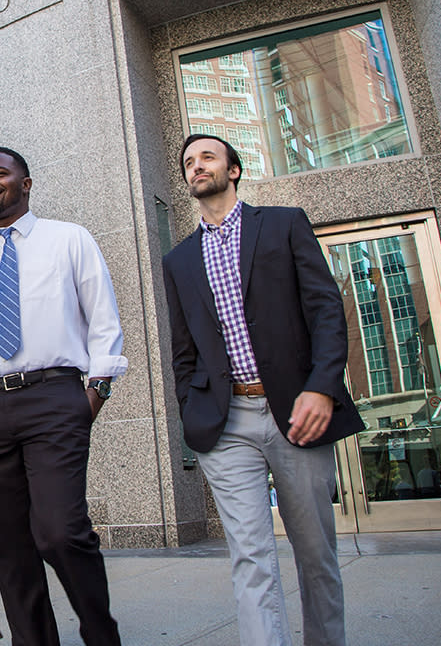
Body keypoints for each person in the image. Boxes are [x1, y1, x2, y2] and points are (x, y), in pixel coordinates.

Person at [162, 134, 365, 646]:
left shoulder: (282, 224)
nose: (196, 166)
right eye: (188, 162)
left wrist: (322, 388)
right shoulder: (179, 260)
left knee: (315, 554)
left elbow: (326, 312)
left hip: (296, 413)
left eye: (207, 156)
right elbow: (182, 351)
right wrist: (191, 406)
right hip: (225, 424)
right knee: (250, 557)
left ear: (233, 169)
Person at [0, 147, 127, 646]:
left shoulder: (70, 240)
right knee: (10, 548)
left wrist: (93, 396)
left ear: (27, 183)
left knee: (61, 531)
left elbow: (104, 324)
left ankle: (100, 631)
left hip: (56, 399)